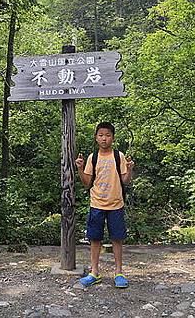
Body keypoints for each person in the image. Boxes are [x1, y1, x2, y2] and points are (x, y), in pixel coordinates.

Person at [75, 121, 134, 288]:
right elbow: (87, 183)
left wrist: (129, 169)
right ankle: (94, 272)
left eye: (108, 135)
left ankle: (119, 273)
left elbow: (125, 181)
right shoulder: (92, 157)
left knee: (117, 239)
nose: (104, 138)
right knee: (94, 239)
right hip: (97, 204)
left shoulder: (119, 156)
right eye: (101, 135)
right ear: (96, 137)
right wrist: (79, 168)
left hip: (116, 204)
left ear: (113, 138)